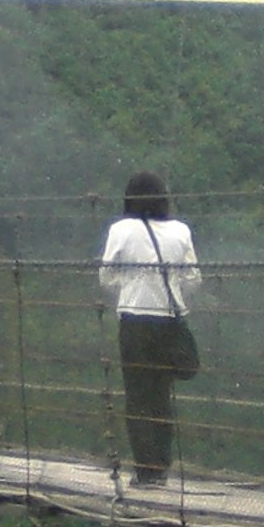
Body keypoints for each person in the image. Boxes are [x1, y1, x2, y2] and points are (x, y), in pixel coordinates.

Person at [95, 170, 203, 488]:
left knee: (138, 396)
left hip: (135, 320)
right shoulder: (180, 231)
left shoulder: (121, 229)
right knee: (160, 396)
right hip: (169, 320)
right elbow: (193, 278)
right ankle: (163, 467)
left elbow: (106, 276)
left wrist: (130, 283)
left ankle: (147, 471)